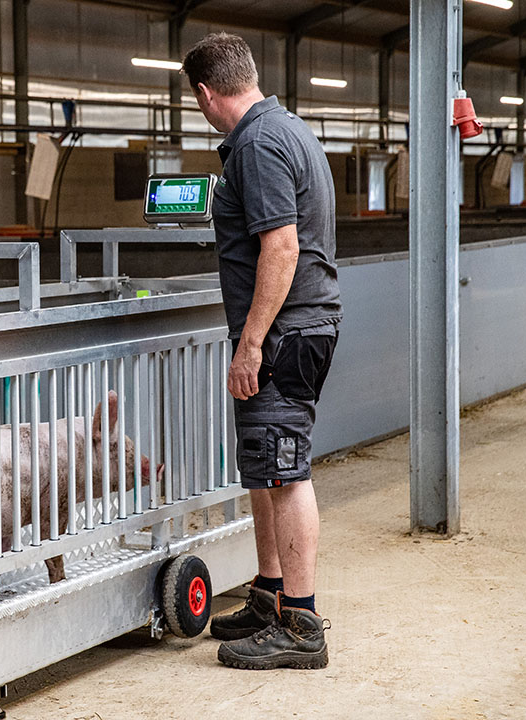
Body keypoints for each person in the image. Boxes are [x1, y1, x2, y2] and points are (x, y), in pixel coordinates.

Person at [182, 32, 342, 670]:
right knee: (266, 468)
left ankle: (302, 625)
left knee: (285, 469)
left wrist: (250, 346)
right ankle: (269, 595)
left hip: (283, 332)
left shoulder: (256, 144)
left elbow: (282, 247)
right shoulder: (288, 128)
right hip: (294, 325)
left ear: (204, 93)